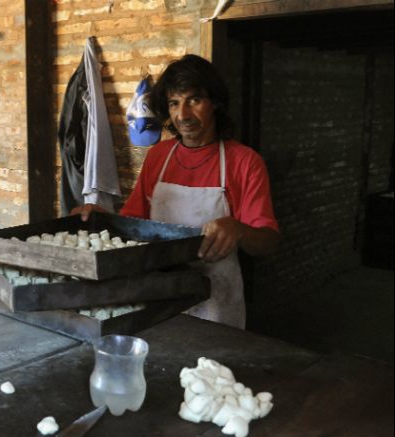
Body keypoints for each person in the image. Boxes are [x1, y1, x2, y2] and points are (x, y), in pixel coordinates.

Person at [76, 54, 280, 329]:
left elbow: (268, 242)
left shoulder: (244, 162)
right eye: (174, 103)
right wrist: (101, 219)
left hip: (215, 303)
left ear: (215, 102)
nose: (183, 115)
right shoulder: (159, 156)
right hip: (159, 296)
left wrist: (238, 229)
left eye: (194, 100)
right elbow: (133, 224)